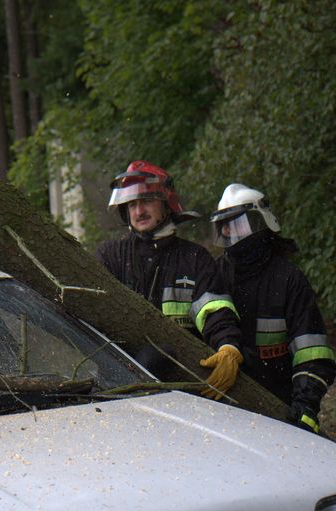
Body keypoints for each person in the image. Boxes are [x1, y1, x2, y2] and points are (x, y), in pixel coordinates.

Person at [95, 160, 243, 399]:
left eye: (146, 201)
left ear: (166, 204)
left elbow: (215, 309)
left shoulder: (194, 258)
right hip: (119, 384)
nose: (138, 211)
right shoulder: (111, 256)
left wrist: (228, 346)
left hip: (182, 385)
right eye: (132, 204)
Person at [210, 183, 336, 433]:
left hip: (280, 402)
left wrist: (305, 407)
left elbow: (312, 353)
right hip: (223, 404)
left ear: (260, 223)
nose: (228, 231)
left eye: (236, 223)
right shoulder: (216, 274)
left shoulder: (288, 279)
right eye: (224, 225)